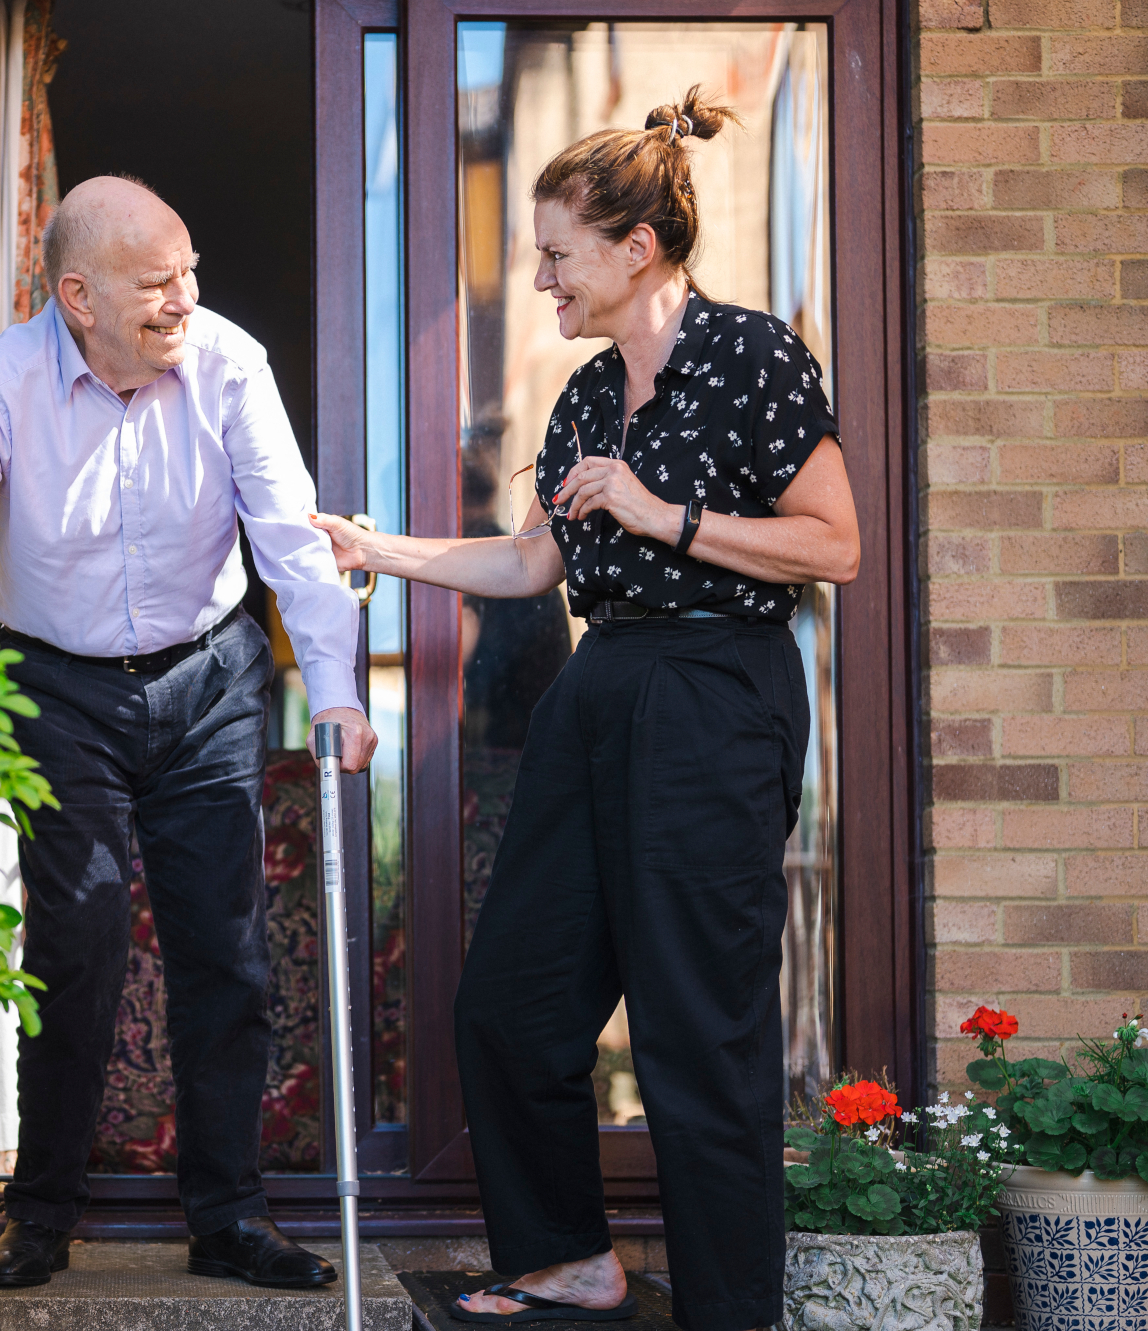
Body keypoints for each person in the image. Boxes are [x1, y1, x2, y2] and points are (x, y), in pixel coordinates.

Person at [312, 89, 860, 1331]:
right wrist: (374, 547)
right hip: (598, 684)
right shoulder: (580, 397)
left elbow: (835, 545)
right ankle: (567, 1252)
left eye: (557, 252)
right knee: (509, 997)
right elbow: (526, 563)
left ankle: (732, 1308)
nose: (542, 277)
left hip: (717, 690)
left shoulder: (752, 357)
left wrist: (661, 511)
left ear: (636, 248)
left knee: (695, 1028)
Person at [0, 175, 378, 1291]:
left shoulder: (230, 365)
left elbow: (292, 538)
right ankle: (42, 1211)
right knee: (76, 945)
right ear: (77, 296)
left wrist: (335, 686)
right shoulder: (0, 384)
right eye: (157, 284)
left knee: (226, 955)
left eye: (189, 272)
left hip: (205, 680)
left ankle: (230, 1216)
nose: (183, 299)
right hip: (57, 688)